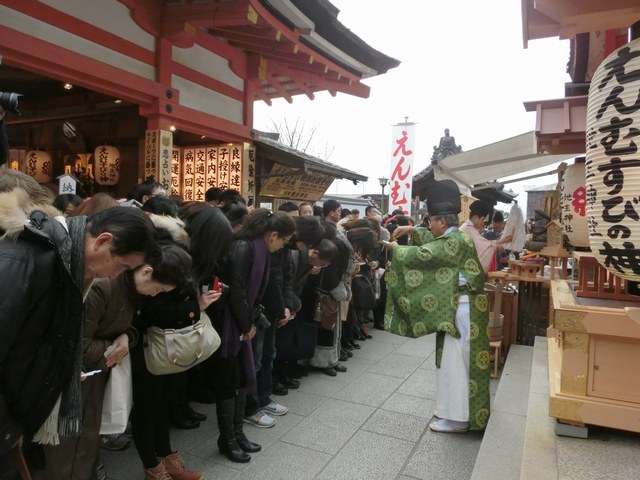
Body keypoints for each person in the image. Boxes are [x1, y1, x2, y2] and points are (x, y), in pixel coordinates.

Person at [0, 191, 159, 478]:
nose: (114, 276)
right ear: (103, 240)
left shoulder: (67, 265)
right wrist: (6, 429)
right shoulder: (25, 260)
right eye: (121, 266)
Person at [35, 244, 193, 480]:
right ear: (147, 271)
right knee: (64, 449)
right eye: (158, 289)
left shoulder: (129, 289)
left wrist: (126, 337)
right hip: (74, 379)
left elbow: (131, 327)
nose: (155, 294)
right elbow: (77, 344)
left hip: (96, 376)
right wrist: (116, 344)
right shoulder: (104, 285)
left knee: (86, 442)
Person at [385, 179, 491, 433]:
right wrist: (410, 230)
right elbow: (434, 242)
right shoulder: (456, 238)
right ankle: (454, 410)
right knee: (453, 360)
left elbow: (425, 254)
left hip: (463, 309)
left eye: (430, 220)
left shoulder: (453, 242)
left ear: (442, 222)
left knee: (456, 362)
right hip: (464, 306)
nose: (428, 225)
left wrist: (394, 249)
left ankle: (458, 418)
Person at [213, 209, 296, 463]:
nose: (283, 245)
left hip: (240, 321)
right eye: (283, 240)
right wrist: (245, 324)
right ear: (272, 235)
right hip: (229, 324)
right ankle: (227, 439)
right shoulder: (244, 247)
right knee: (229, 381)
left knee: (239, 380)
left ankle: (237, 434)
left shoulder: (259, 250)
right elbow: (237, 290)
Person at [460, 201, 511, 273]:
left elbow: (484, 243)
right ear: (475, 217)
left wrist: (502, 241)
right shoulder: (469, 229)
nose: (483, 223)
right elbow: (485, 246)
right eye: (483, 220)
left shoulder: (467, 227)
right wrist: (496, 246)